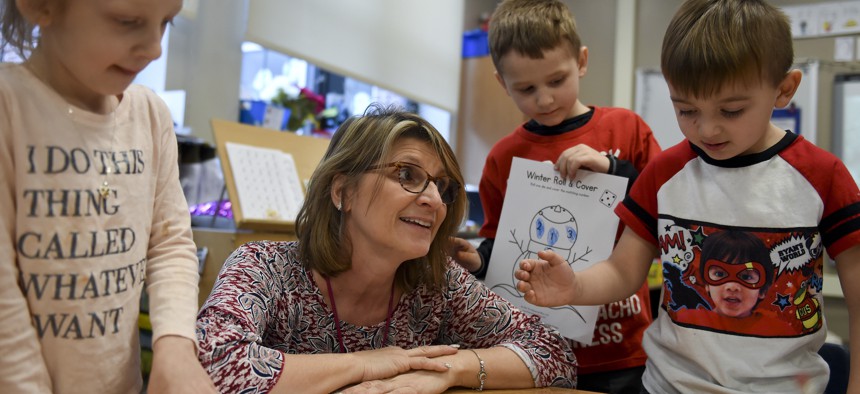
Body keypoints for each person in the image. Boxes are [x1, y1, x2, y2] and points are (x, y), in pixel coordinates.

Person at [515, 0, 860, 392]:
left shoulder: (822, 175)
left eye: (731, 110)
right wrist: (575, 287)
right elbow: (623, 271)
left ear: (784, 89)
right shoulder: (665, 173)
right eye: (686, 110)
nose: (707, 129)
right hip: (670, 386)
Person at [195, 106, 577, 393]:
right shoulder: (264, 267)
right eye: (407, 175)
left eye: (442, 187)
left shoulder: (438, 283)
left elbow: (554, 353)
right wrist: (367, 365)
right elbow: (212, 364)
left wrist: (448, 370)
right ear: (342, 190)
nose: (433, 200)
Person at [0, 0, 214, 393]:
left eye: (165, 22)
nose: (154, 48)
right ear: (38, 6)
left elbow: (169, 243)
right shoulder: (9, 107)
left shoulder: (150, 114)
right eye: (127, 20)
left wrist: (176, 346)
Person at [449, 0, 661, 392]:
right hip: (543, 348)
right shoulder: (503, 158)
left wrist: (616, 171)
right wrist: (478, 259)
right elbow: (504, 246)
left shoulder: (626, 129)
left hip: (626, 345)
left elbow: (667, 210)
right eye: (526, 89)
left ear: (581, 61)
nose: (544, 100)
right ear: (502, 83)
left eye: (556, 81)